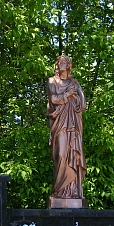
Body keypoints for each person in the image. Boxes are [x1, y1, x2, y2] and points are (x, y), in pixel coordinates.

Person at [46, 55, 86, 200]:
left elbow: (83, 104)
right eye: (59, 62)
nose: (61, 64)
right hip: (59, 123)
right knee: (61, 154)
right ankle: (60, 190)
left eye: (65, 62)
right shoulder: (52, 81)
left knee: (73, 156)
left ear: (69, 65)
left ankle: (72, 191)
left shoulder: (75, 83)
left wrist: (76, 99)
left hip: (73, 124)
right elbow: (53, 99)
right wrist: (68, 94)